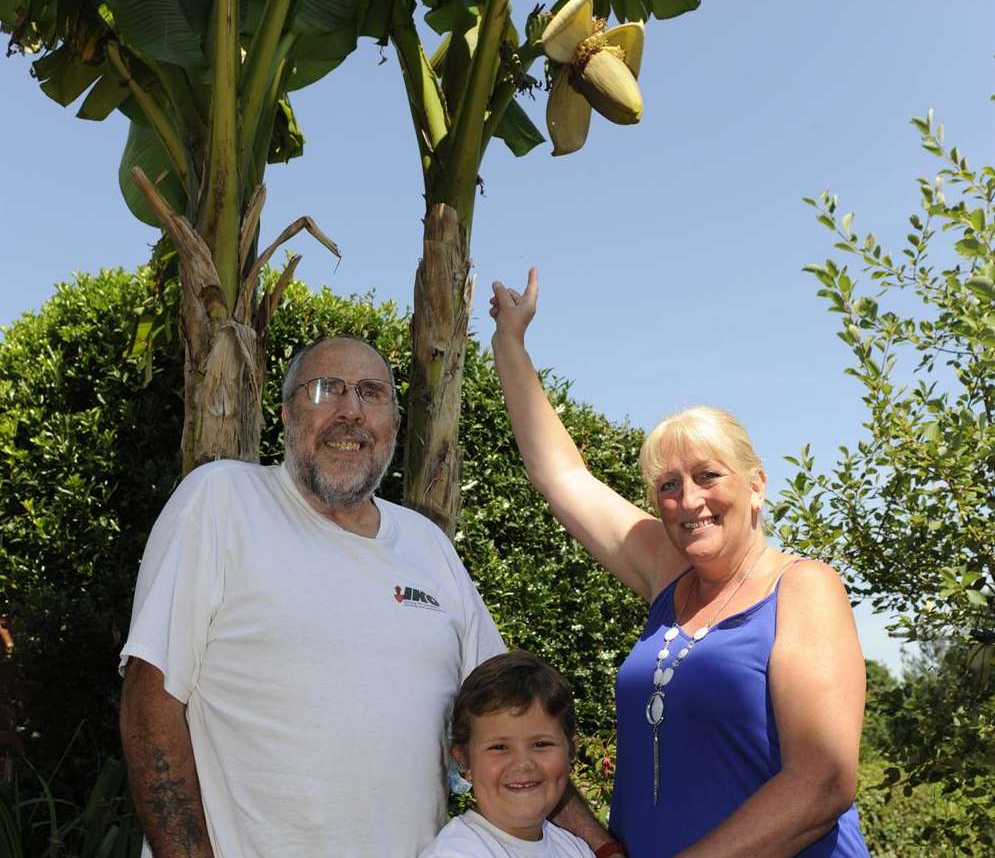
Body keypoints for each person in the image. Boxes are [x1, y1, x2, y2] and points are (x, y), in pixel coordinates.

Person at [489, 269, 872, 858]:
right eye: (668, 485)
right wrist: (510, 345)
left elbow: (823, 782)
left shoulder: (804, 589)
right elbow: (561, 475)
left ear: (756, 485)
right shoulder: (669, 574)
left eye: (708, 476)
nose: (688, 500)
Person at [118, 336, 508, 858]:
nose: (351, 411)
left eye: (372, 393)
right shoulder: (221, 499)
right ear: (286, 414)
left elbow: (515, 716)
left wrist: (599, 844)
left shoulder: (428, 545)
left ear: (393, 422)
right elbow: (151, 702)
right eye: (326, 390)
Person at [420, 651, 604, 858]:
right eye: (499, 747)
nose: (523, 763)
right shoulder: (457, 853)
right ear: (464, 760)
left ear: (571, 750)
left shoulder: (575, 849)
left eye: (541, 744)